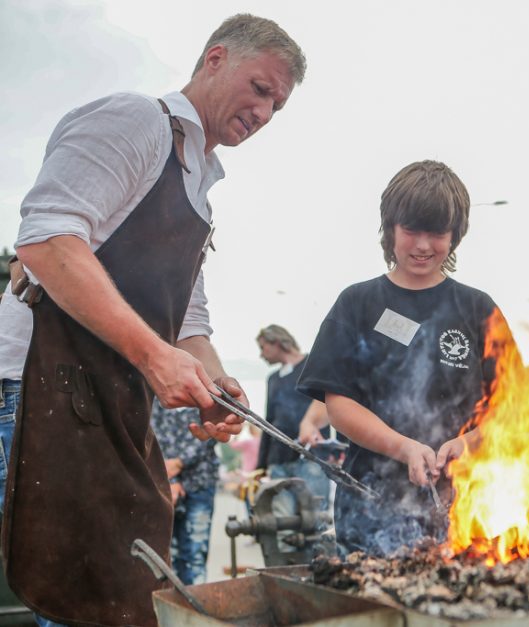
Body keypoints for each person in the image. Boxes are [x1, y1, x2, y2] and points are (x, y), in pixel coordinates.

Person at [0, 14, 304, 626]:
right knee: (64, 590)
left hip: (107, 405)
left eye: (278, 105)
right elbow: (49, 238)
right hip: (33, 394)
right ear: (214, 59)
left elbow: (187, 315)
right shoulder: (137, 121)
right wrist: (154, 356)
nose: (265, 113)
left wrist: (217, 386)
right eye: (260, 89)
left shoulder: (199, 188)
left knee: (118, 595)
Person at [296, 160, 512, 556]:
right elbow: (339, 406)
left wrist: (469, 442)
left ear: (455, 236)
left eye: (437, 233)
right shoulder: (357, 303)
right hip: (371, 504)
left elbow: (510, 408)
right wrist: (405, 447)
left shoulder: (478, 309)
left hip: (469, 507)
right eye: (411, 230)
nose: (423, 245)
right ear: (390, 228)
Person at [256, 325, 332, 514]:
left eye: (263, 347)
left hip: (313, 457)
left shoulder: (313, 366)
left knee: (315, 520)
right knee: (282, 521)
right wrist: (262, 465)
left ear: (277, 343)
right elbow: (269, 421)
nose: (261, 355)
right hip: (278, 460)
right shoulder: (272, 379)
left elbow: (334, 404)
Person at [151, 400, 220, 585]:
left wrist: (180, 462)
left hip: (200, 484)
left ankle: (194, 607)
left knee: (194, 553)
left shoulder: (206, 397)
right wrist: (169, 481)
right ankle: (174, 606)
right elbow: (152, 436)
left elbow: (210, 435)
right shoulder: (156, 400)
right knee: (168, 556)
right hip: (166, 486)